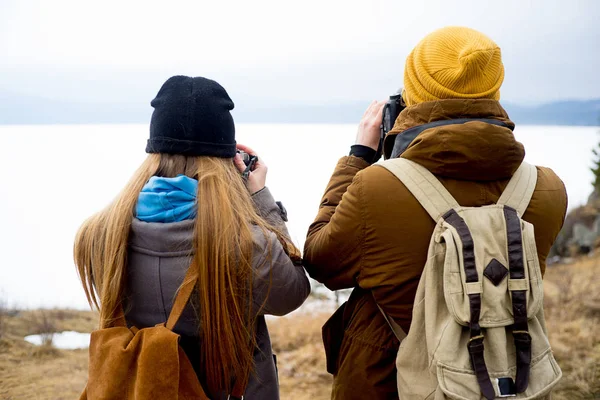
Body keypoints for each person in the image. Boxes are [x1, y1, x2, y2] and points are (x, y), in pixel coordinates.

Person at [303, 27, 568, 399]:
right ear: (493, 90)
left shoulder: (376, 187)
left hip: (387, 381)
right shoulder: (546, 188)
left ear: (414, 95)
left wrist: (359, 157)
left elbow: (321, 262)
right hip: (505, 378)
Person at [74, 75, 310, 399]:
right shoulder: (246, 245)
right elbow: (294, 291)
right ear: (229, 159)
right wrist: (260, 199)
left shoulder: (98, 236)